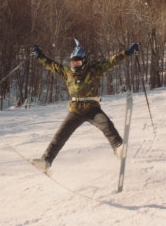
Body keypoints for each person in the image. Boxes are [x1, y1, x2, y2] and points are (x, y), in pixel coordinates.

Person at [30, 38, 139, 172]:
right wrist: (40, 56)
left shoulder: (94, 70)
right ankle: (46, 161)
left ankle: (118, 148)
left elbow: (111, 61)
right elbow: (51, 65)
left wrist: (127, 53)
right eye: (73, 62)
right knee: (60, 136)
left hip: (92, 109)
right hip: (75, 110)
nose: (75, 65)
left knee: (107, 125)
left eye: (78, 62)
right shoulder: (67, 72)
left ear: (84, 61)